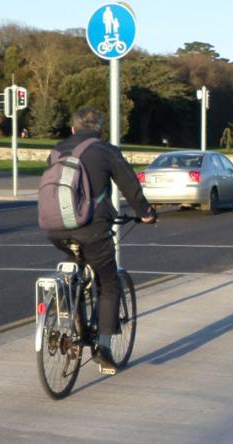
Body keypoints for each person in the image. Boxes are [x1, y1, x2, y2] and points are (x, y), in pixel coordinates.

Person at [43, 106, 156, 375]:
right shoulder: (106, 150)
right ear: (100, 130)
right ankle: (103, 350)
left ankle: (71, 323)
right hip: (92, 230)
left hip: (55, 230)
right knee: (109, 282)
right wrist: (146, 214)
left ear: (72, 129)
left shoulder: (56, 151)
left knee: (76, 271)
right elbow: (130, 186)